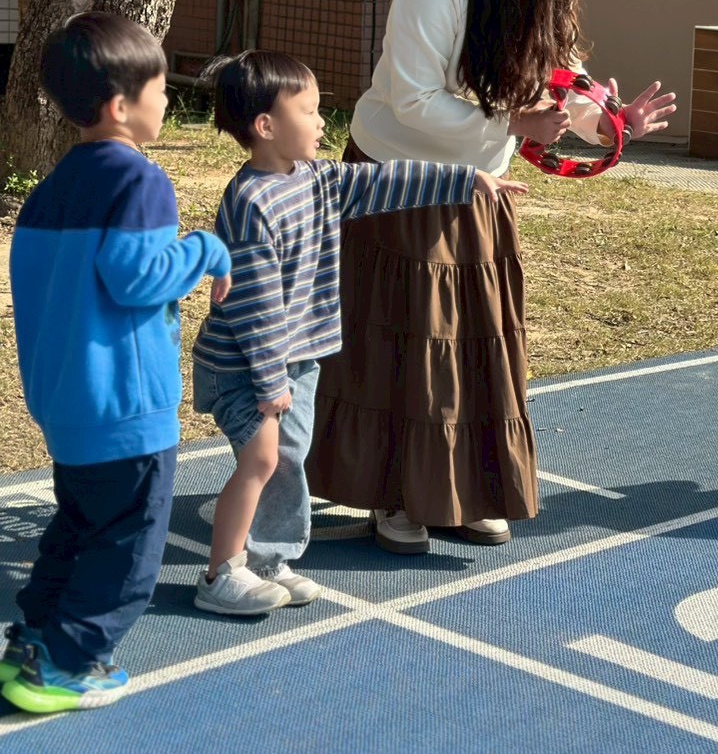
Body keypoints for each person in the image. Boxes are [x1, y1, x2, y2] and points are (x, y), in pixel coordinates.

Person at [307, 0, 677, 555]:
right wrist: (509, 124)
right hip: (398, 185)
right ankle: (396, 498)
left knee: (472, 344)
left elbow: (558, 81)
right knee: (403, 344)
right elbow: (412, 100)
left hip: (478, 188)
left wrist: (611, 126)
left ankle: (464, 493)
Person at [191, 51, 525, 614]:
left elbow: (386, 180)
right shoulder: (250, 203)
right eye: (309, 111)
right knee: (263, 461)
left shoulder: (317, 180)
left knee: (288, 459)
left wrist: (465, 179)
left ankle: (269, 561)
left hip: (294, 362)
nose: (323, 121)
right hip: (246, 367)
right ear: (266, 126)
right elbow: (255, 306)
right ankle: (221, 575)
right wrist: (270, 382)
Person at [1, 14, 232, 713]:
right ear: (119, 106)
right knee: (129, 551)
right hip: (126, 408)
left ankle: (32, 638)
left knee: (77, 528)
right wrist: (206, 249)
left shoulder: (48, 192)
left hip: (67, 403)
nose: (167, 99)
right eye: (159, 88)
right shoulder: (139, 182)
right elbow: (138, 278)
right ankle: (68, 663)